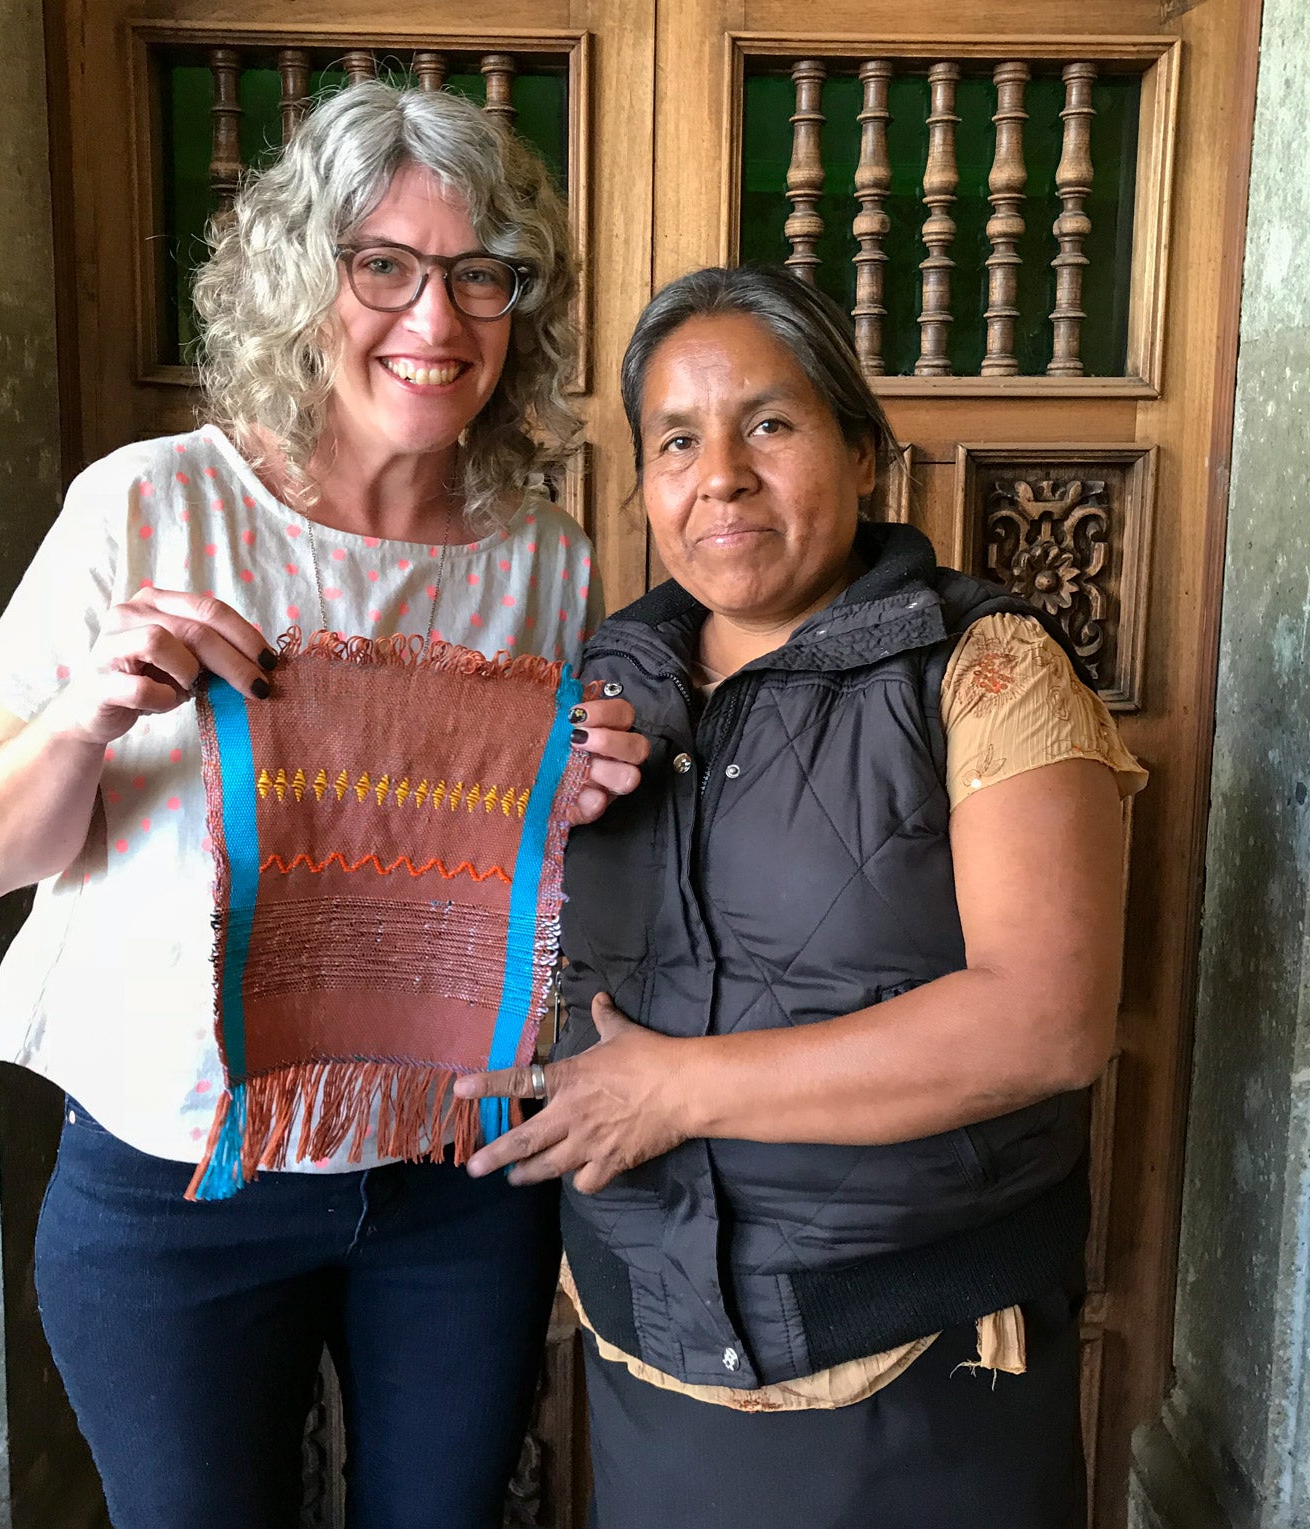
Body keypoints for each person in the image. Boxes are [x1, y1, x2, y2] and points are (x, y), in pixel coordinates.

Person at [0, 81, 645, 1529]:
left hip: (454, 1176)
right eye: (381, 266)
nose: (434, 323)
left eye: (480, 277)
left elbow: (516, 866)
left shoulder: (543, 561)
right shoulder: (147, 506)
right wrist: (88, 710)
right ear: (297, 277)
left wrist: (576, 796)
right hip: (172, 1183)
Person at [456, 264, 1147, 1529]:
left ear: (867, 454)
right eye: (676, 439)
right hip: (647, 1354)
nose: (717, 472)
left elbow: (1044, 1020)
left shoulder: (986, 670)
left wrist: (675, 1089)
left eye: (767, 423)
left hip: (914, 1372)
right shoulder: (597, 685)